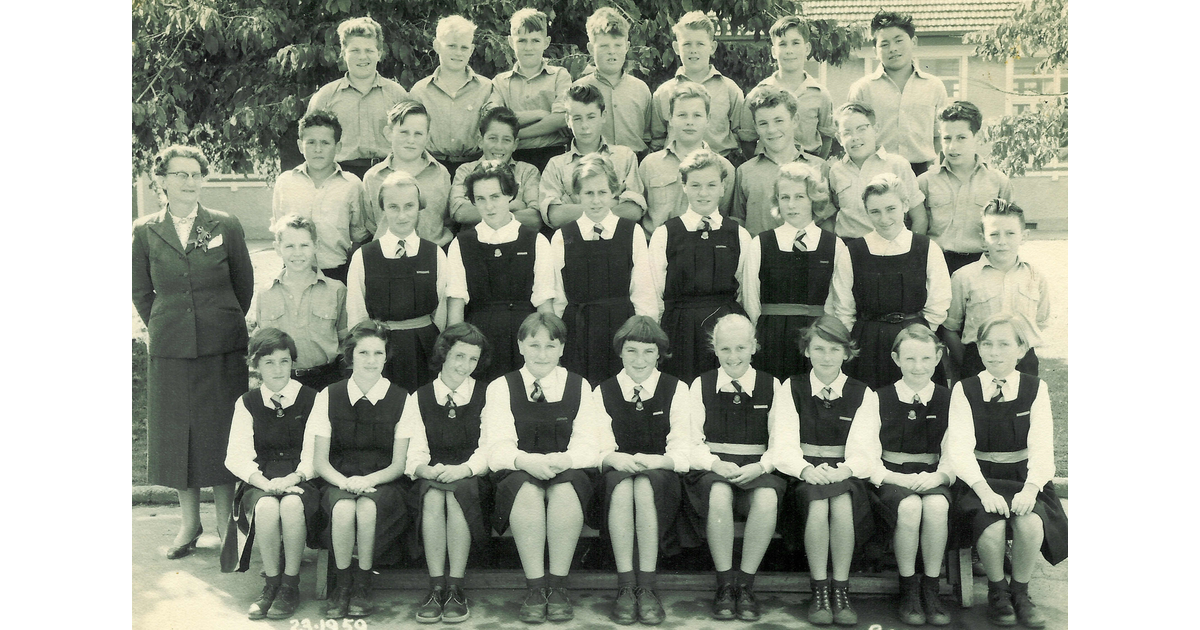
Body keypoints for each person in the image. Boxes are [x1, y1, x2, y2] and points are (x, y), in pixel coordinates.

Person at [133, 144, 254, 560]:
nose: (188, 182)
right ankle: (189, 523)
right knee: (179, 434)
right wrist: (169, 325)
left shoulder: (226, 224)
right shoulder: (144, 230)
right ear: (161, 181)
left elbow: (244, 285)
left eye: (194, 174)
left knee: (220, 431)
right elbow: (140, 292)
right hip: (171, 350)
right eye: (178, 174)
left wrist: (218, 321)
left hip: (223, 346)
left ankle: (224, 523)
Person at [945, 314, 1066, 628]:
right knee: (992, 525)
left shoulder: (1034, 388)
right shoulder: (965, 389)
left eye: (1004, 344)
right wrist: (983, 490)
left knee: (1030, 522)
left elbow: (1041, 447)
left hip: (1022, 476)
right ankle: (997, 593)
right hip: (978, 478)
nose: (994, 352)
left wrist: (1031, 488)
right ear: (979, 349)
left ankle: (1021, 593)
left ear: (1021, 349)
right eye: (987, 344)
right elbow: (959, 450)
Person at [482, 313, 603, 624]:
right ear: (521, 346)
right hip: (519, 468)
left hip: (567, 467)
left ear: (561, 348)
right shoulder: (501, 386)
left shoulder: (579, 385)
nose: (541, 354)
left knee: (565, 490)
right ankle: (536, 587)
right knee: (526, 492)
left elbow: (590, 442)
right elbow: (496, 446)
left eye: (550, 346)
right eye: (534, 345)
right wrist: (527, 461)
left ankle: (558, 587)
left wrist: (566, 460)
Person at [767, 316, 878, 626]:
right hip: (803, 477)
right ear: (806, 352)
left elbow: (865, 450)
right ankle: (819, 590)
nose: (826, 357)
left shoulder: (862, 393)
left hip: (845, 476)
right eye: (818, 349)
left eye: (834, 349)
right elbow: (782, 444)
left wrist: (844, 471)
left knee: (841, 502)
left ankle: (841, 590)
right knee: (817, 503)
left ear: (846, 352)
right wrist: (804, 470)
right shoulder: (792, 387)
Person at [843, 325, 954, 626]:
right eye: (910, 359)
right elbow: (864, 453)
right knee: (909, 506)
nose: (918, 367)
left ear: (937, 358)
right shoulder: (878, 398)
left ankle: (931, 588)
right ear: (896, 359)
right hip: (891, 479)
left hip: (932, 476)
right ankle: (908, 589)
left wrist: (941, 476)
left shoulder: (950, 399)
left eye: (925, 359)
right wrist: (895, 478)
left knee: (936, 505)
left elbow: (957, 449)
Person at [683, 314, 786, 622]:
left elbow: (782, 441)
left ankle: (746, 585)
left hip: (756, 470)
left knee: (767, 500)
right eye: (725, 349)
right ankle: (725, 584)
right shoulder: (700, 385)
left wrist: (762, 466)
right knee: (717, 495)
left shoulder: (772, 385)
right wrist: (715, 464)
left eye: (741, 348)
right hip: (713, 469)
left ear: (754, 347)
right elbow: (690, 442)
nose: (733, 356)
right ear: (714, 348)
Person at [307, 320, 412, 619]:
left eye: (378, 353)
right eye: (363, 353)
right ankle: (342, 586)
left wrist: (368, 481)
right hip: (338, 478)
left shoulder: (402, 398)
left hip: (384, 481)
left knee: (366, 509)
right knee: (342, 510)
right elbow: (320, 460)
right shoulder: (328, 395)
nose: (371, 360)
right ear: (350, 356)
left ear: (386, 357)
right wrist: (345, 482)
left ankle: (363, 584)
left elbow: (399, 464)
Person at [590, 316, 692, 625]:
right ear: (620, 352)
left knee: (644, 486)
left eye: (648, 352)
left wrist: (657, 461)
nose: (640, 360)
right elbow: (597, 445)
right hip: (617, 473)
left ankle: (646, 587)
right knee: (624, 486)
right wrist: (613, 458)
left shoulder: (676, 388)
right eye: (632, 351)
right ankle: (625, 587)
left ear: (659, 355)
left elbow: (683, 447)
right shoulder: (603, 391)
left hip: (660, 476)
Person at [397, 323, 494, 624]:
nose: (464, 366)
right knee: (435, 497)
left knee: (454, 497)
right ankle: (436, 585)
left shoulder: (486, 394)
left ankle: (456, 588)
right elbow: (413, 453)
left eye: (473, 360)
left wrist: (464, 469)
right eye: (459, 356)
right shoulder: (420, 397)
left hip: (472, 478)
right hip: (432, 476)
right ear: (444, 354)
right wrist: (427, 469)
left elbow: (489, 447)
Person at [224, 329, 320, 620]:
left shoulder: (313, 399)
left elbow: (317, 452)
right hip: (261, 477)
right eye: (269, 363)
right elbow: (236, 455)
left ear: (292, 363)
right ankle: (271, 584)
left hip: (302, 476)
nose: (278, 370)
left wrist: (293, 479)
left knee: (291, 505)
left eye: (284, 361)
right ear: (256, 366)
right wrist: (265, 483)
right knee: (266, 507)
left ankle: (290, 585)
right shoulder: (248, 402)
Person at [551, 153, 657, 385]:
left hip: (621, 329)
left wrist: (645, 338)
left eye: (602, 193)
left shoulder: (632, 232)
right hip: (578, 331)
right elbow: (558, 297)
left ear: (614, 193)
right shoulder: (563, 235)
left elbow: (643, 290)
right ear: (577, 195)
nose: (596, 200)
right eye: (588, 193)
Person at [649, 148, 753, 383]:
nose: (703, 193)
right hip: (679, 329)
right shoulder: (665, 233)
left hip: (725, 331)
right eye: (695, 185)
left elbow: (746, 293)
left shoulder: (738, 234)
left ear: (723, 187)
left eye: (711, 185)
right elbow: (654, 293)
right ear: (683, 186)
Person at [446, 161, 556, 383]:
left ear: (510, 195)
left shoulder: (536, 241)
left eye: (495, 197)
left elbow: (545, 307)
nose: (489, 206)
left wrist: (549, 355)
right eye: (481, 199)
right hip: (479, 342)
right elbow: (456, 311)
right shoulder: (462, 243)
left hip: (525, 339)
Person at [743, 162, 852, 381]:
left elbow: (842, 302)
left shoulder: (834, 245)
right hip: (771, 338)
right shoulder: (760, 243)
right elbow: (750, 300)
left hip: (817, 340)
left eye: (800, 197)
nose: (791, 205)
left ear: (813, 199)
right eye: (785, 197)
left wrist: (829, 340)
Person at [842, 173, 950, 389]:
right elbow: (842, 306)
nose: (884, 219)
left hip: (915, 343)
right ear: (866, 212)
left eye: (891, 209)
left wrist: (921, 334)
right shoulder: (853, 252)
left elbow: (940, 300)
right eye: (875, 211)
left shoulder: (926, 248)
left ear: (905, 205)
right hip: (868, 344)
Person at [346, 171, 448, 393]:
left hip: (424, 349)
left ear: (419, 207)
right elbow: (357, 315)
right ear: (383, 208)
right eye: (393, 207)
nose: (402, 215)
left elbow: (442, 313)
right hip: (380, 351)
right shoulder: (364, 256)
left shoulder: (435, 254)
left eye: (409, 206)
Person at [944, 199, 1050, 381]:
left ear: (1024, 236)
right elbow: (949, 327)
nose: (1002, 241)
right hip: (978, 363)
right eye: (994, 234)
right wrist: (969, 360)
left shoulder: (1035, 277)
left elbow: (1040, 321)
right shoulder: (964, 277)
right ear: (982, 239)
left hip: (1023, 362)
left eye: (1010, 233)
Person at [248, 214, 348, 392]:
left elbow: (346, 341)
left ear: (315, 246)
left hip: (326, 380)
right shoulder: (266, 293)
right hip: (282, 382)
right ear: (277, 248)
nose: (297, 253)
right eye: (289, 246)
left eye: (304, 245)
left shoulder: (336, 290)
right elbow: (263, 346)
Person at [272, 110, 370, 284]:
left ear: (338, 147)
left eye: (325, 143)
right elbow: (280, 232)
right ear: (300, 145)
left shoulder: (352, 185)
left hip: (338, 273)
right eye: (311, 142)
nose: (318, 149)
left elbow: (359, 236)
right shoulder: (285, 182)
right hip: (294, 273)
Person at [916, 101, 1014, 276]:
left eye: (961, 138)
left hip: (982, 266)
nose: (952, 146)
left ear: (977, 137)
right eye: (947, 138)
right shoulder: (924, 182)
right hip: (936, 265)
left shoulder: (998, 182)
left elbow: (1009, 232)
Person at [847, 10, 948, 177]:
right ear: (875, 50)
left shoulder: (934, 86)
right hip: (876, 172)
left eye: (899, 40)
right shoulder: (862, 89)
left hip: (922, 173)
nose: (893, 49)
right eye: (884, 44)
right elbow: (852, 135)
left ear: (913, 41)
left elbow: (941, 135)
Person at [307, 17, 409, 179]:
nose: (363, 57)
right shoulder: (325, 97)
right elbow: (311, 145)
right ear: (343, 53)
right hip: (340, 177)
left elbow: (409, 141)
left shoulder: (398, 95)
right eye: (355, 50)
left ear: (379, 54)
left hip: (388, 176)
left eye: (369, 51)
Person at [409, 15, 505, 179]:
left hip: (475, 167)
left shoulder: (486, 87)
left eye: (464, 47)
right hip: (431, 168)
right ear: (437, 46)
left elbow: (497, 128)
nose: (458, 53)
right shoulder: (420, 91)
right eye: (452, 46)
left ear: (472, 50)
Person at [540, 84, 646, 230]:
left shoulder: (624, 157)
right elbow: (556, 216)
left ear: (603, 116)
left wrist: (572, 207)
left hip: (617, 241)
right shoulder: (556, 165)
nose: (585, 125)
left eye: (591, 117)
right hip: (574, 244)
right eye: (577, 118)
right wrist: (615, 203)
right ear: (567, 120)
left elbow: (633, 211)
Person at [639, 82, 736, 235]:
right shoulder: (650, 164)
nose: (689, 121)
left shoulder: (724, 167)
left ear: (708, 119)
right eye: (682, 115)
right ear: (670, 118)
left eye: (697, 115)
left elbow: (724, 214)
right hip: (656, 250)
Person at [731, 86, 828, 237]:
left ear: (794, 120)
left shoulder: (819, 167)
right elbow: (738, 221)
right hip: (761, 256)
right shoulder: (745, 172)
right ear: (756, 126)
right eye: (763, 123)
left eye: (779, 121)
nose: (771, 130)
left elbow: (826, 220)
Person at [735, 15, 835, 160]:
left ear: (807, 48)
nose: (789, 50)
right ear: (774, 51)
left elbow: (826, 138)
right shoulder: (757, 94)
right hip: (769, 166)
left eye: (795, 43)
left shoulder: (820, 95)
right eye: (782, 44)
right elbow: (747, 140)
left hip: (808, 167)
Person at [649, 11, 744, 161]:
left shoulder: (729, 89)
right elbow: (657, 138)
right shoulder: (664, 93)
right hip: (677, 165)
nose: (693, 50)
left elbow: (741, 134)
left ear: (712, 47)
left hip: (719, 167)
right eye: (687, 44)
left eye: (700, 44)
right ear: (676, 47)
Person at [825, 102, 924, 239]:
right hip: (850, 247)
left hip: (890, 246)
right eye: (847, 133)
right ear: (838, 139)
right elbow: (834, 214)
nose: (855, 137)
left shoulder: (897, 165)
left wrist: (910, 253)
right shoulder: (836, 171)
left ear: (876, 129)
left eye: (861, 129)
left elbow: (920, 218)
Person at [362, 99, 453, 246]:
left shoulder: (441, 174)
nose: (411, 140)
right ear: (388, 133)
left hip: (432, 256)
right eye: (404, 132)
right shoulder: (373, 177)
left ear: (427, 137)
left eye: (418, 134)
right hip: (386, 258)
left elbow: (448, 220)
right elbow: (370, 223)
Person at [494, 7, 572, 172]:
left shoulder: (559, 75)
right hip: (512, 157)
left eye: (535, 40)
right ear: (510, 41)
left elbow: (561, 119)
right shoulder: (500, 82)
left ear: (546, 42)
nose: (528, 47)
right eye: (522, 40)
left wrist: (515, 135)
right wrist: (541, 114)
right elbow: (498, 122)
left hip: (553, 156)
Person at [572, 6, 652, 155]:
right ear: (590, 48)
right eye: (604, 46)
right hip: (593, 163)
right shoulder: (579, 89)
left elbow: (648, 135)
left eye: (618, 45)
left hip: (635, 161)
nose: (611, 51)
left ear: (627, 47)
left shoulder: (641, 89)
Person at [449, 106, 544, 232]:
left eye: (506, 140)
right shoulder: (465, 170)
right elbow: (460, 212)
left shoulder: (528, 172)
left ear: (515, 145)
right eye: (492, 138)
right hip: (476, 243)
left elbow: (534, 218)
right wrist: (514, 205)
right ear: (480, 141)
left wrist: (482, 212)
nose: (499, 146)